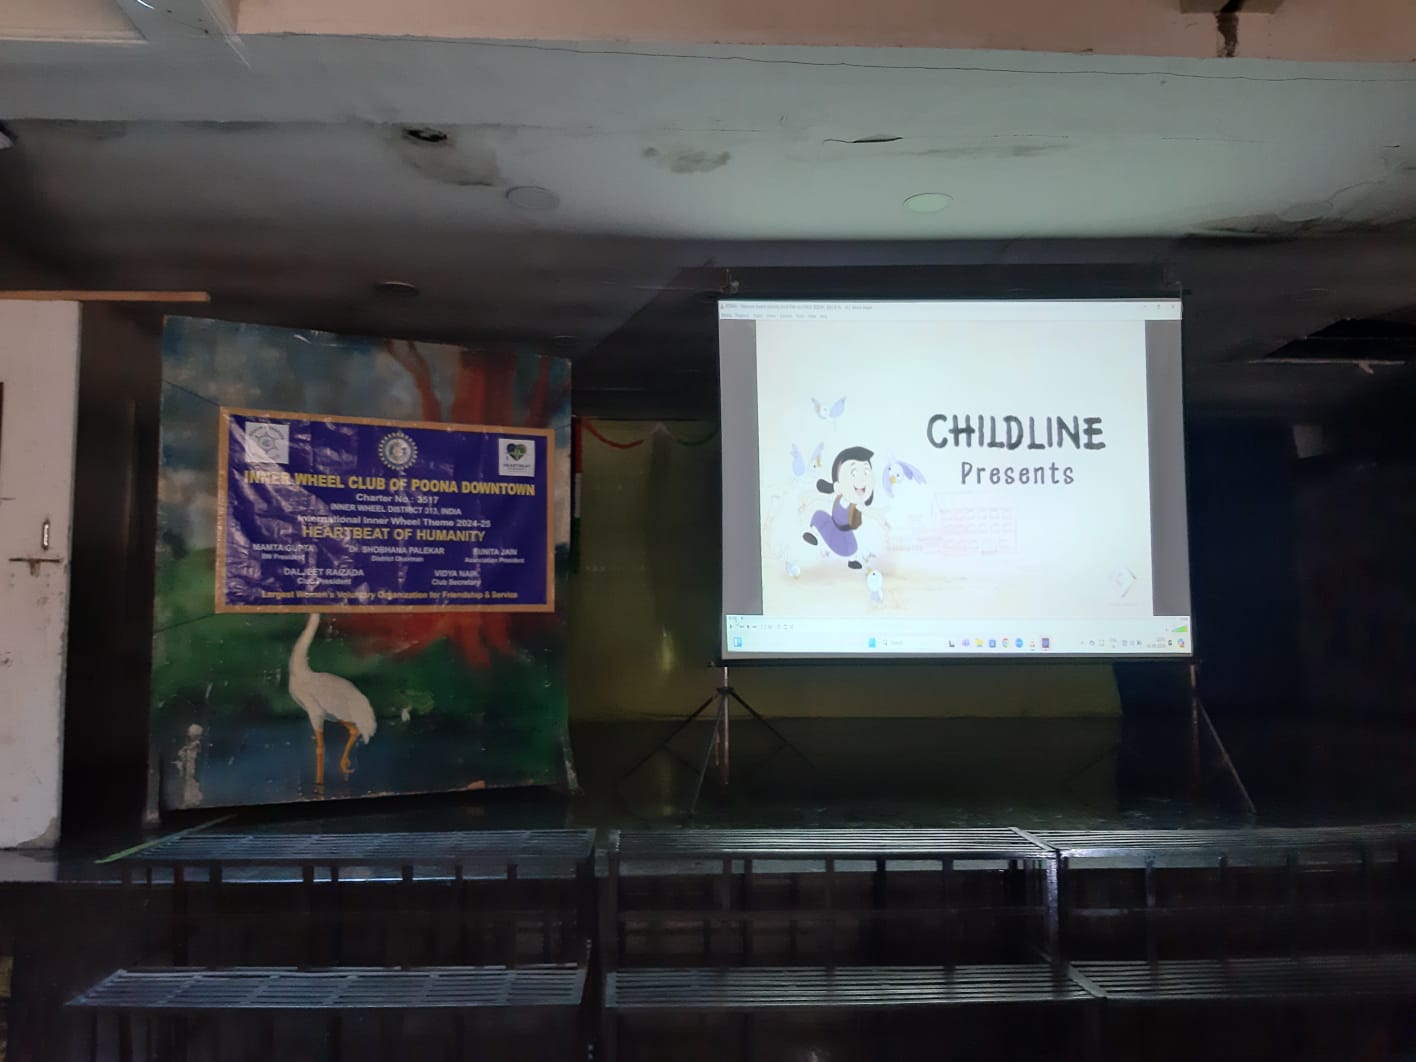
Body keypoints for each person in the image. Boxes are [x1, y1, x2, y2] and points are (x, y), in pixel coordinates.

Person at [803, 446, 874, 570]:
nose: (860, 480)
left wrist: (879, 515)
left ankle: (852, 561)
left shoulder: (856, 505)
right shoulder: (839, 497)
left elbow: (867, 511)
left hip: (844, 532)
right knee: (819, 515)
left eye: (866, 473)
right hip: (832, 523)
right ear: (838, 484)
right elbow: (823, 499)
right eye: (853, 474)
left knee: (851, 547)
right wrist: (810, 501)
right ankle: (812, 535)